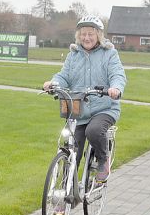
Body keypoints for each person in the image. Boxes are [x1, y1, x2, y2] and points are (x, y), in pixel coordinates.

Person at [43, 15, 126, 182]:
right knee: (72, 148)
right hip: (78, 110)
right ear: (78, 36)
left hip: (105, 108)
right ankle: (67, 194)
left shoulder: (109, 53)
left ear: (98, 36)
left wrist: (115, 88)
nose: (86, 37)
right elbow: (64, 75)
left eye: (90, 34)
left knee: (93, 131)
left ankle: (103, 160)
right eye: (83, 34)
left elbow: (117, 74)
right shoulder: (73, 55)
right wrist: (54, 83)